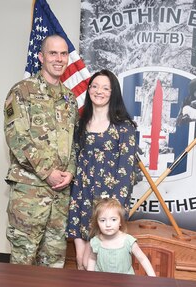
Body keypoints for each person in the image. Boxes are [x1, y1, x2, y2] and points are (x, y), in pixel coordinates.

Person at [3, 34, 78, 267]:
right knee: (22, 264)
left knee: (54, 265)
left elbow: (74, 142)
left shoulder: (70, 99)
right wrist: (47, 171)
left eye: (63, 54)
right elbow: (16, 138)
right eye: (53, 53)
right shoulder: (22, 92)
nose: (59, 59)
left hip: (59, 196)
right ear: (41, 57)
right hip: (30, 195)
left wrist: (71, 171)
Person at [66, 69, 139, 270]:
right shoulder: (81, 124)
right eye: (95, 86)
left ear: (112, 92)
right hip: (80, 198)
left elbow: (126, 172)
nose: (99, 91)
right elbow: (75, 159)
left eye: (105, 88)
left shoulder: (124, 128)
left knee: (97, 264)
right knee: (81, 261)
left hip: (104, 204)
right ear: (89, 90)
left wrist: (113, 210)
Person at [86, 198, 156, 276]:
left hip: (125, 282)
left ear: (120, 222)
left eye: (113, 219)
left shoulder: (128, 241)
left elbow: (142, 259)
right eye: (102, 220)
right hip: (101, 281)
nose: (108, 224)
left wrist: (153, 278)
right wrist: (90, 278)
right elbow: (92, 259)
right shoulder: (96, 241)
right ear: (97, 223)